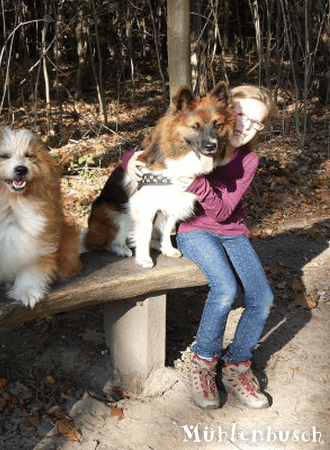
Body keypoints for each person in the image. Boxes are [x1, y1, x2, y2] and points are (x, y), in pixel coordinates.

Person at [123, 84, 278, 409]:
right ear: (224, 115)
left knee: (262, 297)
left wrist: (196, 182)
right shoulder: (197, 139)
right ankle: (204, 363)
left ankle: (236, 366)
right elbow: (153, 150)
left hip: (232, 230)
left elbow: (222, 210)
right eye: (240, 116)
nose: (245, 125)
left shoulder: (247, 160)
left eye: (256, 122)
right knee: (224, 290)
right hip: (194, 230)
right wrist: (129, 160)